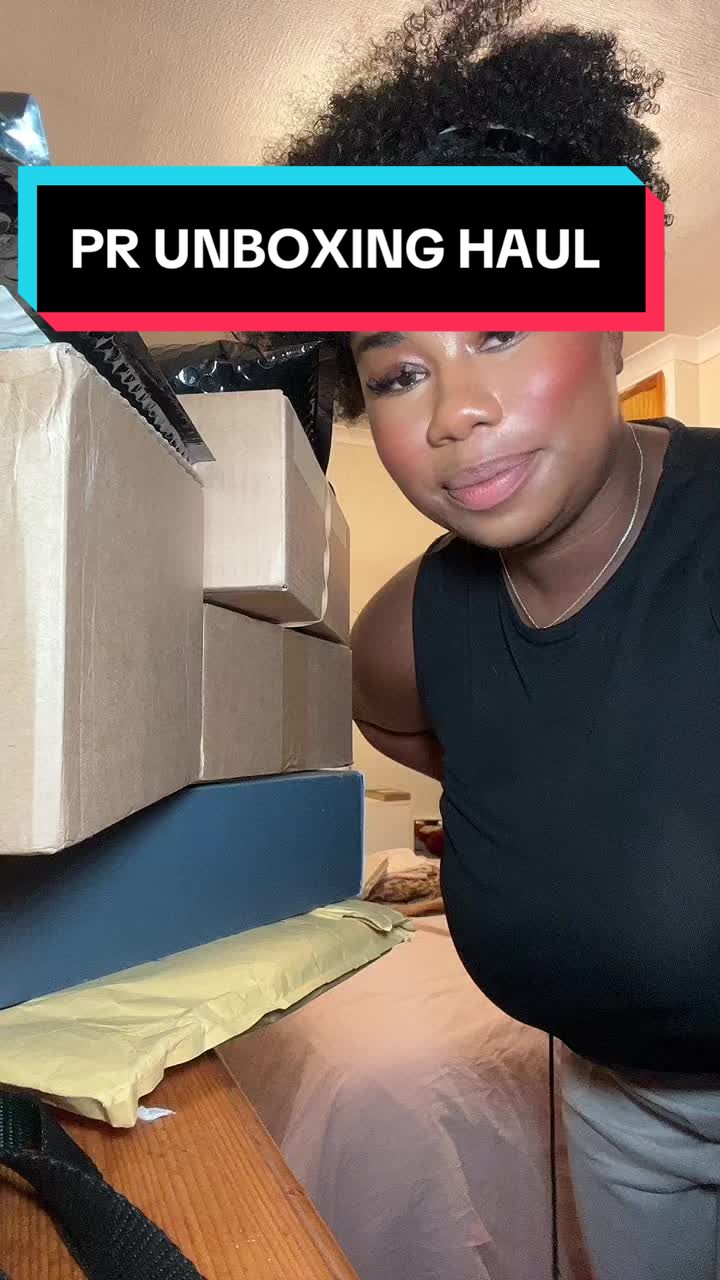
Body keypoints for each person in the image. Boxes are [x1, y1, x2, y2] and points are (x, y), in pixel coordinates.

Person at [260, 3, 720, 1277]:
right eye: (398, 372)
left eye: (500, 328)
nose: (455, 410)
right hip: (615, 1111)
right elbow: (455, 741)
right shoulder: (403, 633)